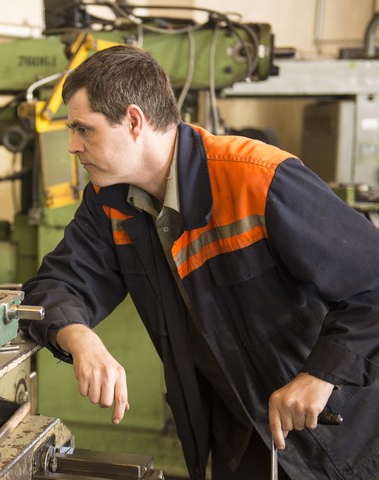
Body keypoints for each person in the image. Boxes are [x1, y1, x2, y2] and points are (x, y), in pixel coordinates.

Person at [19, 45, 379, 480]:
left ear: (134, 121)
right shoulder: (110, 202)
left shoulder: (258, 179)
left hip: (339, 438)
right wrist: (80, 339)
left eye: (84, 130)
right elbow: (54, 284)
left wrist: (320, 375)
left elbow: (372, 282)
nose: (73, 147)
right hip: (243, 431)